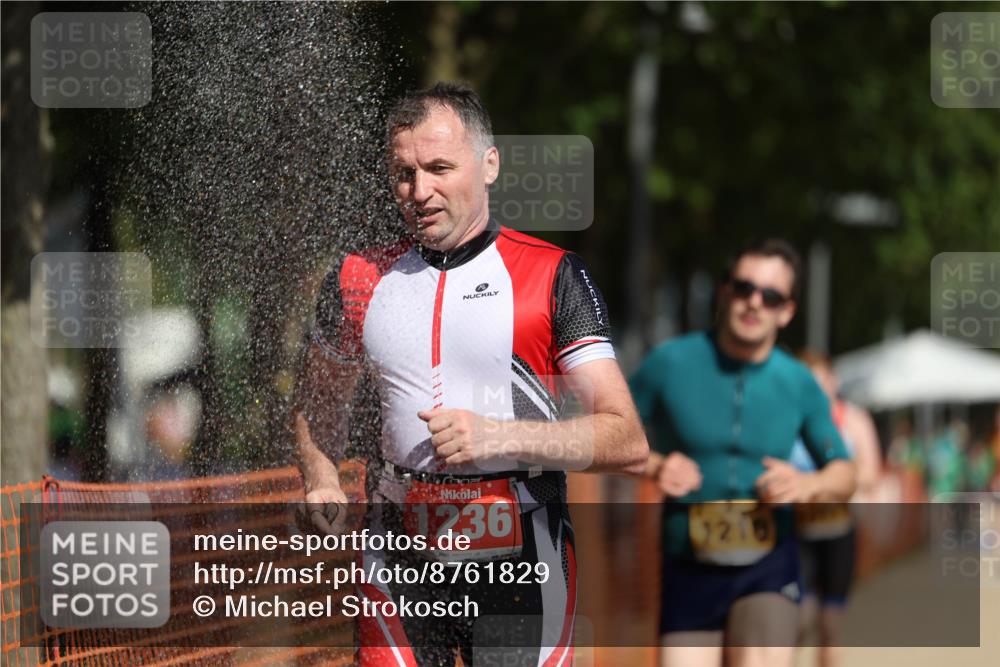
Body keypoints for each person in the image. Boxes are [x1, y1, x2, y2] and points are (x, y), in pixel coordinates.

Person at [294, 82, 648, 667]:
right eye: (404, 173)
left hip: (521, 557)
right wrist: (319, 477)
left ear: (489, 165)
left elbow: (626, 440)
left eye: (439, 168)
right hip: (396, 552)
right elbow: (316, 410)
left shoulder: (552, 276)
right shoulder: (357, 278)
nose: (420, 191)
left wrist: (498, 436)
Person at [629, 239, 856, 667]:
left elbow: (845, 472)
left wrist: (808, 484)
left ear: (787, 311)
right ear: (724, 291)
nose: (754, 302)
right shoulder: (669, 363)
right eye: (743, 288)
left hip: (768, 563)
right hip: (689, 560)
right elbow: (605, 435)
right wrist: (656, 464)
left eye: (770, 296)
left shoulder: (799, 382)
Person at [790, 351, 881, 667]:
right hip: (794, 533)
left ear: (834, 381)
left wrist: (826, 483)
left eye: (821, 382)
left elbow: (871, 472)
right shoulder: (788, 420)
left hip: (839, 530)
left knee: (829, 625)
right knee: (797, 622)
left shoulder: (853, 419)